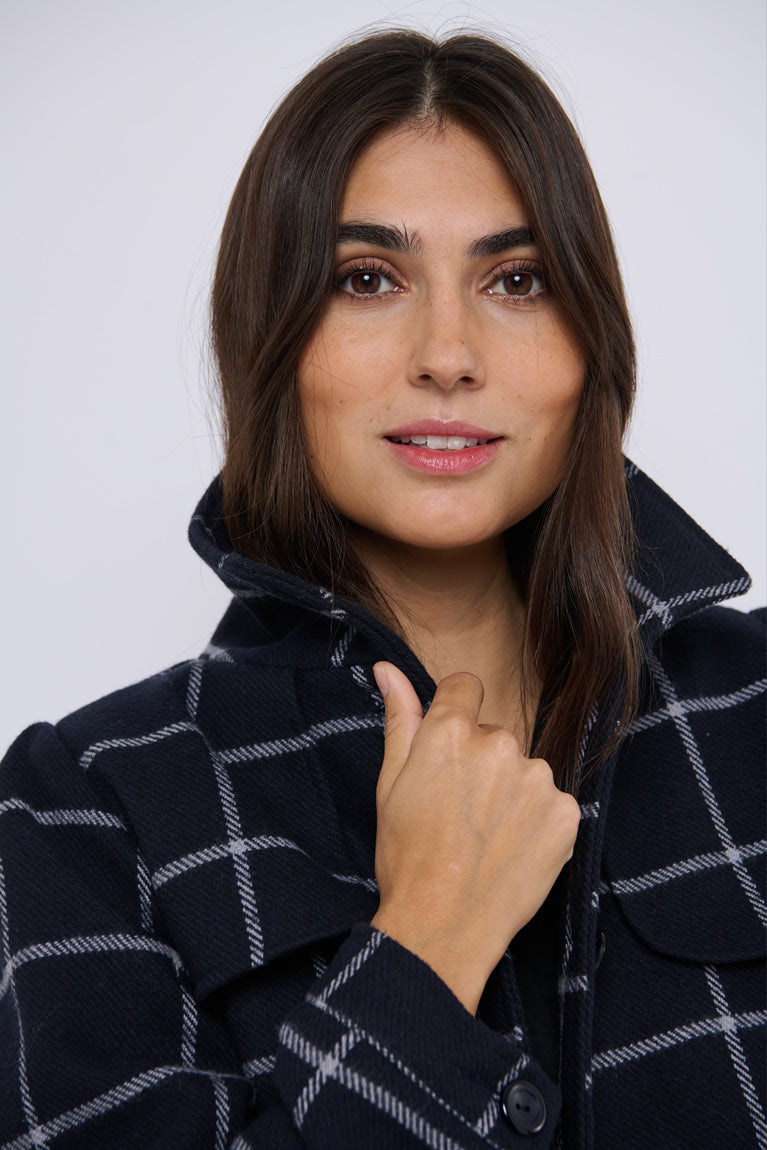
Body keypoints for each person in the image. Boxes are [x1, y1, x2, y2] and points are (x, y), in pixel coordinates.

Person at [0, 28, 763, 1150]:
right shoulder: (89, 808)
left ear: (588, 340)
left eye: (516, 280)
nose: (446, 354)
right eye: (367, 280)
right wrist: (426, 947)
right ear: (272, 338)